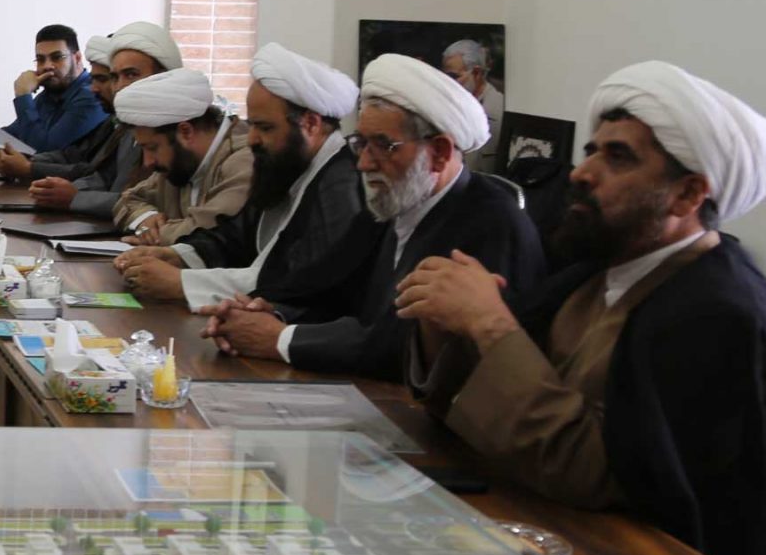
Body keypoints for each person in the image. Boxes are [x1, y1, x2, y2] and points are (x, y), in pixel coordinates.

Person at [401, 61, 766, 555]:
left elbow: (594, 475)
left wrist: (489, 323)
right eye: (592, 151)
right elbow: (486, 398)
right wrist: (443, 323)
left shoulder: (716, 313)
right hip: (552, 527)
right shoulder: (597, 271)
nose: (581, 173)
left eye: (618, 158)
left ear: (688, 194)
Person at [208, 52, 541, 378]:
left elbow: (409, 347)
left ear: (439, 152)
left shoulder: (491, 223)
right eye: (361, 143)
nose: (364, 163)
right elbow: (333, 291)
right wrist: (266, 312)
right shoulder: (391, 203)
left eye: (384, 146)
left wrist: (279, 339)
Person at [117, 43, 377, 314]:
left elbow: (297, 280)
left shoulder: (341, 186)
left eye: (264, 127)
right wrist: (177, 255)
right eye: (252, 125)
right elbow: (236, 236)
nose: (252, 139)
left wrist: (181, 283)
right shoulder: (287, 166)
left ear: (311, 124)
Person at [0, 22, 179, 213]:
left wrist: (69, 193)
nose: (118, 87)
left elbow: (143, 201)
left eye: (130, 75)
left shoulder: (169, 126)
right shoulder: (122, 121)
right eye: (114, 77)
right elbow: (87, 165)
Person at [102, 66, 252, 264]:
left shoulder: (244, 159)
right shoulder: (180, 162)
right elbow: (128, 200)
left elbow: (207, 231)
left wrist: (157, 234)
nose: (148, 162)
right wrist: (145, 218)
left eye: (152, 148)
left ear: (186, 131)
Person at [0, 25, 108, 159]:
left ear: (77, 58)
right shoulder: (50, 93)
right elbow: (16, 134)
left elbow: (42, 150)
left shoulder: (92, 95)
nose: (47, 66)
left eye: (57, 57)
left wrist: (23, 95)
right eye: (40, 59)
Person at [442, 38, 507, 174]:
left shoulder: (499, 111)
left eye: (454, 76)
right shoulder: (448, 107)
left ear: (477, 73)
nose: (447, 82)